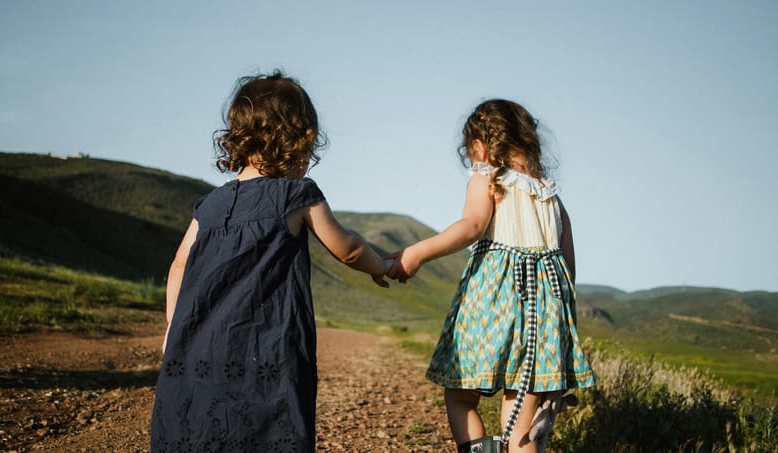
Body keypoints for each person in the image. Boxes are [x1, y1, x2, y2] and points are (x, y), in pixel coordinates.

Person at [150, 71, 390, 453]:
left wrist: (174, 328)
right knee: (266, 430)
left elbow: (179, 265)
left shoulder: (210, 205)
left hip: (198, 347)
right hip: (267, 347)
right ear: (299, 140)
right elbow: (348, 249)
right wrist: (384, 266)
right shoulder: (296, 195)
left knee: (198, 432)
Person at [387, 99, 597, 453]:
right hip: (542, 320)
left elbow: (471, 226)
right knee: (519, 421)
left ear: (480, 146)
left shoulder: (487, 178)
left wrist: (416, 253)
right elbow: (568, 273)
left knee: (460, 396)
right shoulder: (553, 199)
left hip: (492, 305)